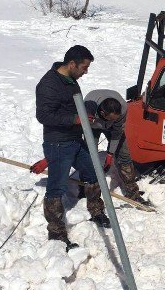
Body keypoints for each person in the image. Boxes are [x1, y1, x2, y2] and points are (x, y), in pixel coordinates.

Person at [31, 45, 110, 252]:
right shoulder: (48, 84)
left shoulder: (71, 81)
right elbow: (44, 116)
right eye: (84, 67)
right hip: (58, 143)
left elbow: (75, 105)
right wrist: (74, 119)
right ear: (72, 64)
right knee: (56, 187)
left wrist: (87, 110)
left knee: (93, 173)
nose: (86, 71)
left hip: (75, 139)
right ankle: (56, 234)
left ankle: (96, 211)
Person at [83, 89, 149, 206]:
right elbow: (77, 129)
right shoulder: (88, 108)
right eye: (111, 119)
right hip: (92, 126)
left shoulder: (122, 108)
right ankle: (85, 186)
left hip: (113, 129)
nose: (114, 120)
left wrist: (110, 154)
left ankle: (132, 193)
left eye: (116, 119)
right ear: (103, 114)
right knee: (87, 155)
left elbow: (117, 132)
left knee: (124, 156)